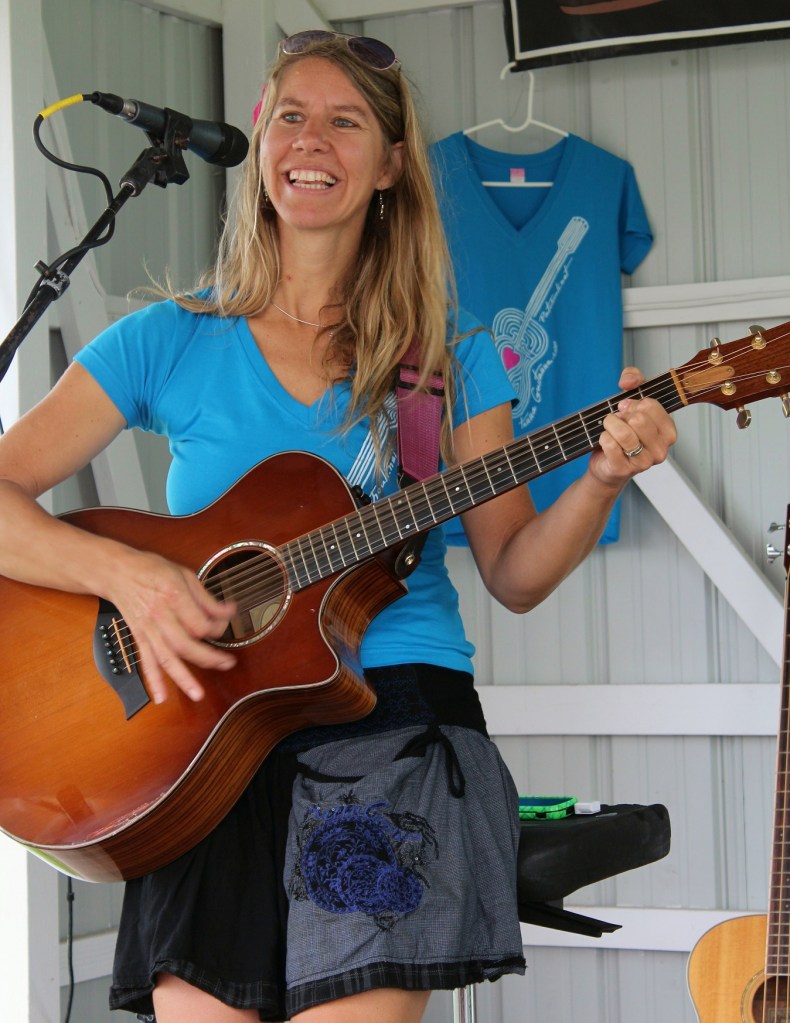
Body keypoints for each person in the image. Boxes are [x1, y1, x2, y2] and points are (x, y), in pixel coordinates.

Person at [0, 30, 677, 1023]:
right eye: (291, 116)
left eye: (345, 121)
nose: (311, 140)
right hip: (202, 739)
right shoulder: (169, 337)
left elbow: (515, 572)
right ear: (261, 143)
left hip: (390, 719)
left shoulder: (444, 358)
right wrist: (130, 579)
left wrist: (603, 480)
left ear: (391, 164)